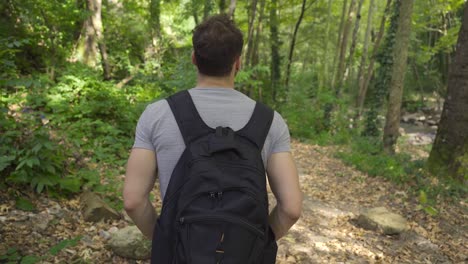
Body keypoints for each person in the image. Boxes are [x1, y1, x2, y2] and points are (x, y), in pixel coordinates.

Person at [123, 14, 302, 258]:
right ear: (238, 63)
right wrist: (256, 242)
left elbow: (133, 201)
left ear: (194, 58)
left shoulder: (157, 115)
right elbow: (291, 209)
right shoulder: (271, 122)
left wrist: (167, 237)